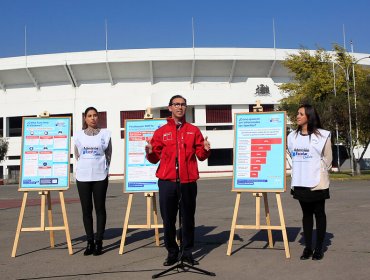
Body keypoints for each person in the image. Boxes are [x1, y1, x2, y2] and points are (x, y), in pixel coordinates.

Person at [145, 95, 211, 266]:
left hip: (188, 182)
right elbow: (154, 158)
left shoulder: (193, 130)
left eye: (183, 104)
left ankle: (187, 252)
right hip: (167, 182)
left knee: (188, 218)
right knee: (168, 219)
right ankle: (172, 252)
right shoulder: (161, 132)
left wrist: (205, 150)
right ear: (170, 108)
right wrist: (150, 151)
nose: (180, 107)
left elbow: (201, 156)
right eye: (176, 104)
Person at [287, 104, 332, 261]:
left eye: (301, 114)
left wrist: (317, 170)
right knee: (306, 214)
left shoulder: (322, 136)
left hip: (317, 182)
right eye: (297, 113)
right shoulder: (292, 136)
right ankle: (308, 247)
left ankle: (319, 247)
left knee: (319, 213)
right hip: (300, 181)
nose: (297, 116)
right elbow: (292, 155)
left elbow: (328, 158)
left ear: (309, 117)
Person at [74, 107, 112, 256]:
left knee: (100, 208)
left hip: (100, 176)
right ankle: (89, 241)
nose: (93, 118)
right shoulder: (78, 135)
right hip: (83, 177)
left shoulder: (105, 134)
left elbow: (109, 154)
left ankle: (99, 242)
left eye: (95, 115)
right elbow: (77, 154)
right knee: (86, 209)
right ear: (85, 118)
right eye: (89, 116)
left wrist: (103, 168)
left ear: (98, 117)